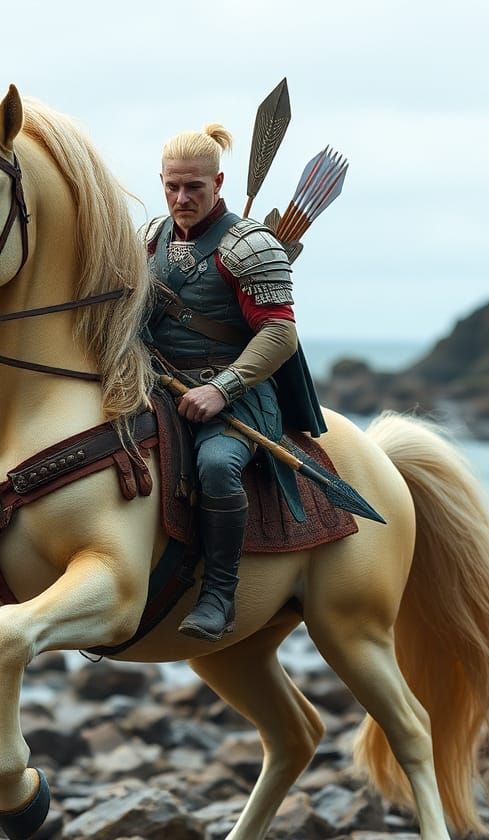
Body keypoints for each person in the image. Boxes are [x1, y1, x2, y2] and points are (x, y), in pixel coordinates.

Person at [143, 123, 327, 642]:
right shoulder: (149, 237)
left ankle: (219, 594)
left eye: (194, 188)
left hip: (237, 395)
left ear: (219, 182)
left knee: (217, 465)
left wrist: (222, 388)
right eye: (172, 186)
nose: (181, 198)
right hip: (157, 384)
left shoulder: (250, 245)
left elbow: (279, 334)